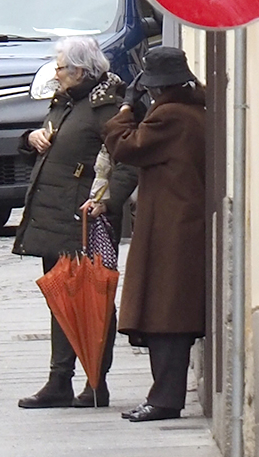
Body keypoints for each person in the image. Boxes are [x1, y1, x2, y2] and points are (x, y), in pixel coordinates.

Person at [13, 36, 138, 409]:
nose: (57, 73)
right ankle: (60, 379)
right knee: (60, 299)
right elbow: (51, 142)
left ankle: (95, 381)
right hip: (55, 217)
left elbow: (127, 161)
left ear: (81, 71)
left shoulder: (106, 109)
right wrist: (30, 138)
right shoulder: (66, 103)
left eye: (62, 67)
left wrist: (106, 200)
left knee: (93, 300)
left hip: (85, 220)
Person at [104, 46, 207, 423]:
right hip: (177, 225)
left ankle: (164, 399)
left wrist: (126, 110)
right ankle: (163, 396)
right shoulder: (194, 111)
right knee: (168, 316)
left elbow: (124, 145)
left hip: (172, 230)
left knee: (167, 318)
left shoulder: (171, 117)